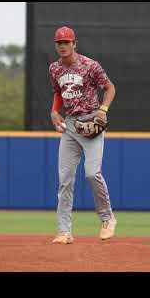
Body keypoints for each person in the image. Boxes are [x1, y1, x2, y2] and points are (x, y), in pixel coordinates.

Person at [49, 26, 117, 244]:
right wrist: (53, 111)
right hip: (70, 125)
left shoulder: (90, 65)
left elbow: (110, 88)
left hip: (91, 122)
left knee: (91, 173)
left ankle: (107, 219)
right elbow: (58, 93)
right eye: (59, 43)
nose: (62, 46)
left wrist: (103, 110)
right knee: (65, 180)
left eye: (66, 42)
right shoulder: (54, 69)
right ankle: (64, 231)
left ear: (74, 43)